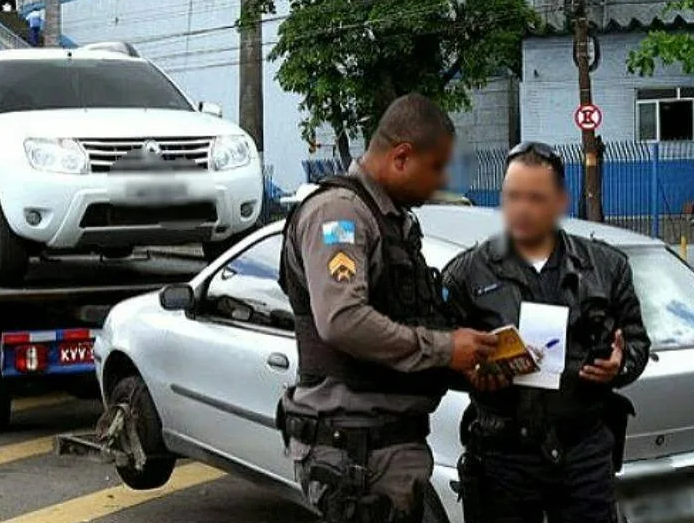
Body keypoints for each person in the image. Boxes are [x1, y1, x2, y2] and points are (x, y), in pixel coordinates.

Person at [278, 93, 499, 522]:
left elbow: (403, 319)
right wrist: (446, 349)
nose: (440, 183)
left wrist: (461, 362)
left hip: (385, 447)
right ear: (401, 156)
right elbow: (342, 321)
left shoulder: (393, 220)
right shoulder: (339, 215)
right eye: (436, 168)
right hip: (357, 453)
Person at [442, 142, 650, 523]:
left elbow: (636, 343)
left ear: (559, 201)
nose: (521, 208)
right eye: (512, 196)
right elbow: (440, 356)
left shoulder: (605, 267)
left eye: (535, 198)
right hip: (502, 458)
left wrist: (619, 366)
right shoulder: (467, 274)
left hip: (583, 453)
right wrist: (470, 371)